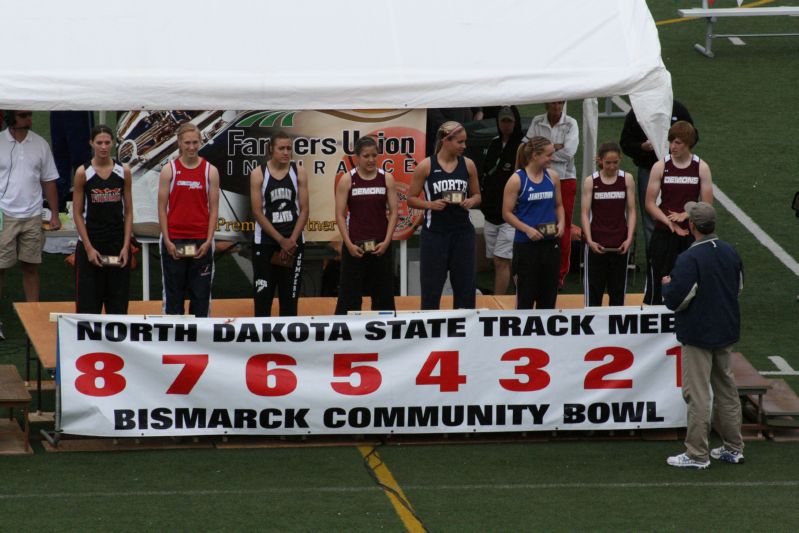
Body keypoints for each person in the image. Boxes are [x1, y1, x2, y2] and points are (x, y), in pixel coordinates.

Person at [663, 201, 744, 469]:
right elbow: (738, 288)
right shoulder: (730, 251)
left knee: (697, 394)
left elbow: (677, 299)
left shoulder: (690, 258)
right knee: (727, 390)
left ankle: (697, 453)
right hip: (726, 330)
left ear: (692, 226)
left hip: (698, 334)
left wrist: (667, 287)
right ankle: (734, 447)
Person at [0, 110, 61, 340]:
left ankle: (32, 320)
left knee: (31, 266)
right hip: (4, 214)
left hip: (33, 214)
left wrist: (54, 214)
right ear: (10, 118)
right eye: (24, 115)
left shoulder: (40, 144)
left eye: (30, 115)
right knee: (0, 268)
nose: (30, 120)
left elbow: (49, 180)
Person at [408, 121, 481, 310]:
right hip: (435, 234)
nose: (464, 146)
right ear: (446, 140)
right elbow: (411, 199)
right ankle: (431, 335)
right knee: (432, 289)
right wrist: (430, 204)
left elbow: (477, 195)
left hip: (463, 233)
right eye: (460, 142)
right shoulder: (426, 166)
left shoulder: (468, 165)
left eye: (465, 142)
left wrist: (471, 201)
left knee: (465, 288)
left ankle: (464, 334)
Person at [644, 121, 712, 305]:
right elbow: (650, 203)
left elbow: (707, 205)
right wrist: (669, 222)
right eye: (671, 142)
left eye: (678, 143)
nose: (672, 147)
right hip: (664, 233)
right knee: (658, 280)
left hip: (691, 235)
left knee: (689, 282)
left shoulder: (701, 167)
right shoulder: (660, 166)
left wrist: (686, 214)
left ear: (688, 143)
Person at [157, 122, 220, 317]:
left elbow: (214, 209)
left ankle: (199, 342)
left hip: (201, 242)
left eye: (195, 142)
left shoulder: (210, 171)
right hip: (174, 241)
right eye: (187, 143)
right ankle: (172, 343)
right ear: (179, 143)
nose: (191, 147)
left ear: (201, 142)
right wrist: (167, 241)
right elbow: (161, 208)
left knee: (200, 298)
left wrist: (208, 241)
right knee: (173, 298)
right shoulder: (169, 170)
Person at [620, 100, 696, 252]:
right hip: (648, 168)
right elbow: (626, 142)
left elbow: (694, 135)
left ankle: (683, 257)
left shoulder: (677, 109)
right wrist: (641, 147)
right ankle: (655, 260)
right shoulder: (638, 111)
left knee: (679, 211)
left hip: (678, 170)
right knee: (651, 219)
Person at [72, 125, 133, 314]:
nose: (104, 147)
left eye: (107, 142)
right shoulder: (83, 173)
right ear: (91, 143)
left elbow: (129, 212)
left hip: (116, 244)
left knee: (118, 305)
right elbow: (77, 213)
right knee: (88, 305)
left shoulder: (124, 171)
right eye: (99, 143)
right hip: (92, 244)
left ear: (113, 144)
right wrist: (89, 249)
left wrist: (126, 246)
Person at [334, 136, 398, 314]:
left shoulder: (387, 178)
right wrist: (348, 244)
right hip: (355, 245)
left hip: (380, 246)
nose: (371, 160)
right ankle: (345, 334)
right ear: (357, 157)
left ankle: (386, 334)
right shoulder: (347, 180)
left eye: (374, 156)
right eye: (366, 156)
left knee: (384, 294)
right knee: (349, 296)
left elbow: (394, 212)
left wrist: (386, 241)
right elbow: (339, 215)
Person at [250, 131, 309, 317]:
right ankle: (261, 343)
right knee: (263, 298)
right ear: (271, 149)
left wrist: (290, 240)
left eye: (289, 148)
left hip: (293, 243)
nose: (286, 152)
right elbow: (257, 212)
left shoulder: (298, 172)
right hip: (266, 243)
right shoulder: (259, 174)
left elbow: (305, 210)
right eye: (281, 148)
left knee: (289, 299)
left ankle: (290, 343)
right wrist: (280, 240)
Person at [502, 136, 564, 310]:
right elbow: (506, 213)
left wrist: (562, 223)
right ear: (536, 155)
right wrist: (527, 229)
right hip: (526, 246)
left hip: (550, 243)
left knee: (549, 296)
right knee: (525, 297)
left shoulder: (553, 177)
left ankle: (547, 336)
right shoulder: (517, 179)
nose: (552, 158)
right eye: (549, 155)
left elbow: (559, 205)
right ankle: (524, 336)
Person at [523, 101, 578, 288]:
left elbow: (569, 153)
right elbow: (526, 149)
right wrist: (556, 147)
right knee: (538, 220)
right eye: (554, 102)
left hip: (564, 178)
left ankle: (559, 274)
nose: (557, 106)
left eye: (561, 102)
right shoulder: (538, 121)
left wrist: (542, 152)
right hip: (539, 176)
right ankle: (538, 270)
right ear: (547, 104)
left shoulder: (571, 123)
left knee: (563, 226)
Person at [580, 142, 636, 307]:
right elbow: (584, 213)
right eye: (608, 163)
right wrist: (589, 240)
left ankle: (616, 329)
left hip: (620, 244)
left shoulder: (627, 179)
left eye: (615, 162)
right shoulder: (591, 181)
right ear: (600, 160)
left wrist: (629, 238)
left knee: (617, 292)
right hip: (597, 243)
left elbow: (632, 211)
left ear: (620, 159)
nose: (612, 166)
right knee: (593, 292)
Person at [479, 105, 523, 296]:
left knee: (500, 260)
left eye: (509, 121)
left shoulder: (521, 146)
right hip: (490, 213)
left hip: (510, 214)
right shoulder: (493, 144)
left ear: (515, 122)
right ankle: (521, 292)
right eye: (503, 121)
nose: (506, 125)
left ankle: (498, 304)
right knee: (498, 260)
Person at [50, 111, 95, 212]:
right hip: (57, 104)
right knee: (60, 161)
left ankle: (84, 208)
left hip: (78, 105)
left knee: (82, 162)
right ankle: (60, 207)